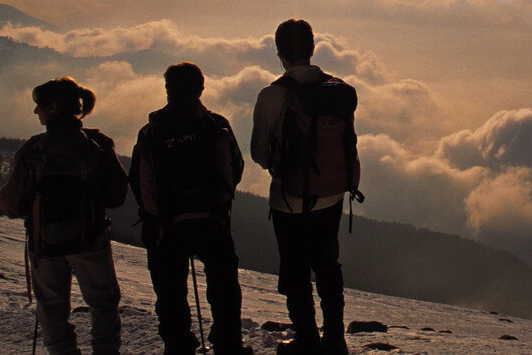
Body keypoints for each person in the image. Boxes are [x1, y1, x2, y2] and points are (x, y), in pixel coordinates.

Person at [251, 19, 360, 355]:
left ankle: (308, 339)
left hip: (290, 199)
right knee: (328, 263)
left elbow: (258, 153)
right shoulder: (338, 90)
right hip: (332, 192)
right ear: (313, 49)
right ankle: (336, 339)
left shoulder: (273, 95)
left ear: (280, 53)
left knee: (296, 269)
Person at [129, 62, 252, 355]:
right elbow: (234, 168)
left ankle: (178, 345)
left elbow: (139, 179)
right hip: (212, 220)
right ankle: (228, 344)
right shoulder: (215, 125)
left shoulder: (151, 131)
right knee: (223, 287)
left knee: (170, 292)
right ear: (201, 88)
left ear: (168, 89)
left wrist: (155, 219)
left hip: (166, 226)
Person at [0, 77, 128, 355]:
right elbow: (117, 196)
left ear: (54, 107)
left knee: (52, 307)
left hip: (45, 243)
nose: (36, 112)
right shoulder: (98, 145)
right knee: (103, 303)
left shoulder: (33, 149)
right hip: (90, 239)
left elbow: (11, 205)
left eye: (40, 106)